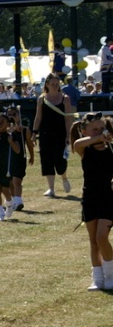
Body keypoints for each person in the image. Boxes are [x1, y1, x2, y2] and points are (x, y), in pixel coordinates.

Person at [72, 113, 113, 290]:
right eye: (94, 129)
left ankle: (110, 273)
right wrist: (96, 137)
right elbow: (77, 144)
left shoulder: (110, 148)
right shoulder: (84, 148)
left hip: (109, 196)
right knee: (93, 241)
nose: (99, 132)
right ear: (84, 131)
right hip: (90, 197)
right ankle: (97, 277)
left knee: (101, 236)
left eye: (101, 128)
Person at [32, 73, 74, 197]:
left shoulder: (65, 98)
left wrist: (68, 135)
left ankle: (64, 177)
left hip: (60, 133)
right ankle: (51, 188)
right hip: (45, 133)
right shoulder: (41, 99)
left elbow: (68, 119)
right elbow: (38, 117)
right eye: (53, 84)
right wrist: (34, 132)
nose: (55, 86)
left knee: (60, 159)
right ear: (47, 85)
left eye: (57, 84)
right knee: (47, 159)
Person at [0, 113, 20, 221]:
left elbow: (18, 150)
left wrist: (11, 142)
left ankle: (9, 204)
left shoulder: (12, 137)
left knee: (5, 189)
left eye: (2, 122)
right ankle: (0, 212)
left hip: (7, 167)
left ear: (7, 124)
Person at [5, 105, 33, 211]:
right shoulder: (4, 130)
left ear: (19, 116)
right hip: (8, 159)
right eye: (9, 115)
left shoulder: (24, 130)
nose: (12, 116)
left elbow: (29, 144)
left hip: (19, 158)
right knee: (10, 182)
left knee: (17, 181)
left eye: (14, 114)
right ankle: (13, 201)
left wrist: (32, 156)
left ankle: (18, 201)